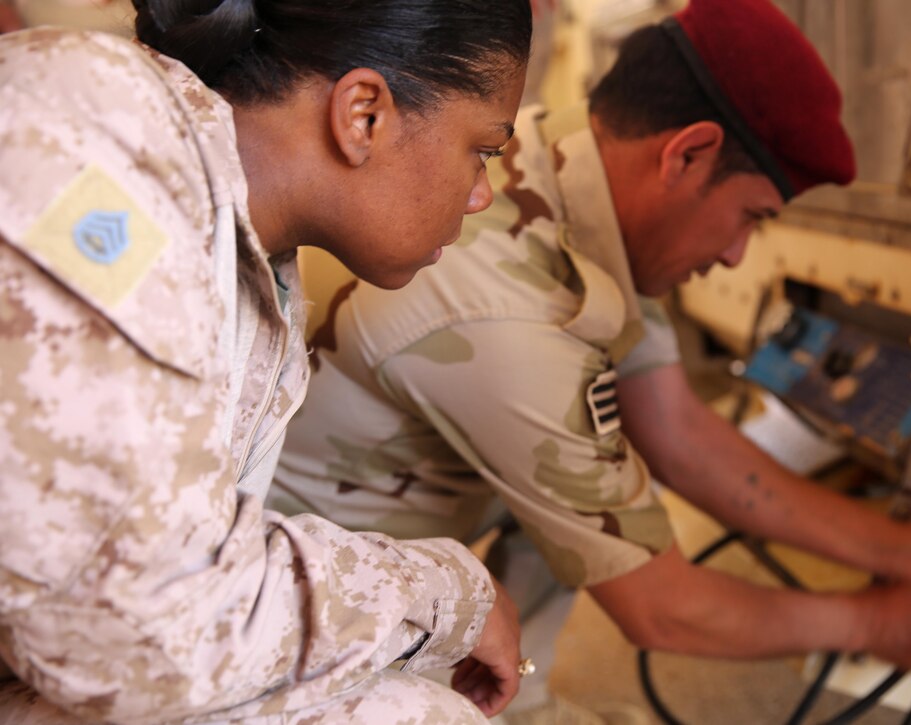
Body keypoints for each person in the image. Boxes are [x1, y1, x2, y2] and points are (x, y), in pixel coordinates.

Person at [272, 0, 911, 719]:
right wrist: (883, 625)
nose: (737, 253)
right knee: (589, 503)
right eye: (751, 216)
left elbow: (678, 432)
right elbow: (661, 606)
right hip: (302, 608)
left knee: (599, 490)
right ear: (688, 153)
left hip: (391, 544)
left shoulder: (566, 175)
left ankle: (525, 697)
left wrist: (907, 551)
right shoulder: (505, 297)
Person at [0, 1, 532, 723]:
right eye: (484, 149)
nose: (481, 194)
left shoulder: (259, 272)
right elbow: (142, 635)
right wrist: (446, 595)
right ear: (364, 114)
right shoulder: (96, 132)